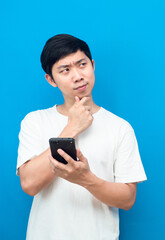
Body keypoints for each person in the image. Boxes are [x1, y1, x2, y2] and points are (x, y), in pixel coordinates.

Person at [17, 34, 147, 240]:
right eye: (65, 70)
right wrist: (72, 128)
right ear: (51, 79)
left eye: (82, 64)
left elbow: (128, 199)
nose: (77, 76)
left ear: (93, 65)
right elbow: (29, 184)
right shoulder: (35, 121)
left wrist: (86, 180)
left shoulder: (120, 128)